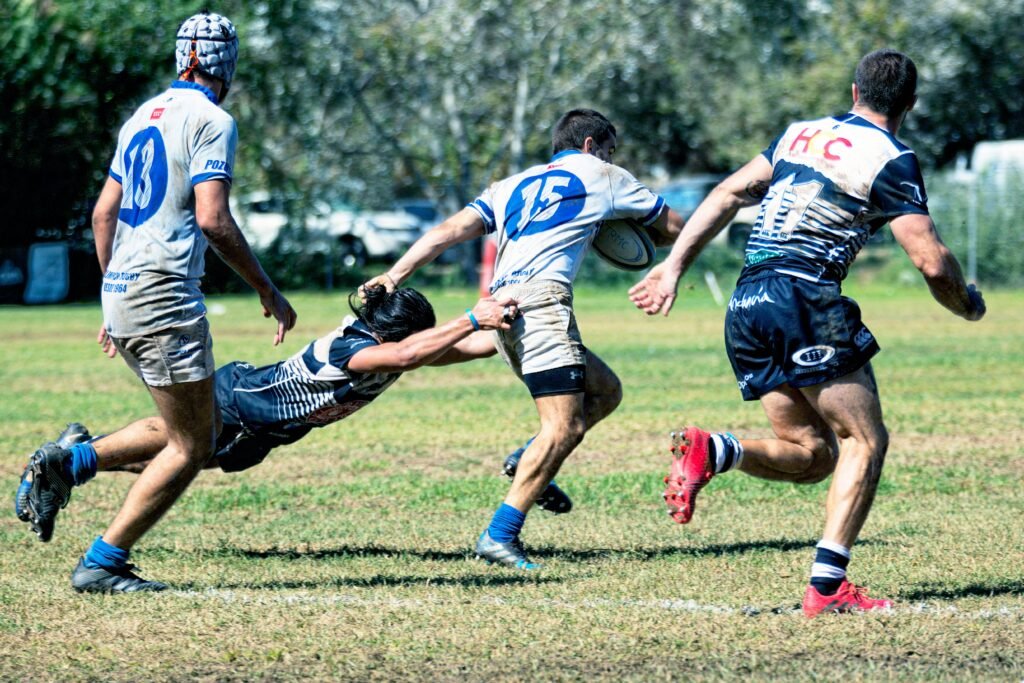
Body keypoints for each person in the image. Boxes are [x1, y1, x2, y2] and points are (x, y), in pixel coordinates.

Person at [628, 49, 986, 616]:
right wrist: (967, 305)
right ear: (909, 105)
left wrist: (672, 268)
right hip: (804, 297)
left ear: (853, 92)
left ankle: (715, 450)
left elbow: (726, 192)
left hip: (748, 302)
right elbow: (933, 262)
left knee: (813, 453)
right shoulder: (892, 157)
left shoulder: (800, 133)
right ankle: (827, 590)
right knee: (864, 441)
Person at [16, 11, 297, 593]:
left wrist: (112, 292)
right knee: (194, 446)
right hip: (164, 293)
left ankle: (71, 462)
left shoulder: (140, 116)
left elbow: (102, 214)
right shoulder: (213, 119)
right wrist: (267, 289)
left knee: (193, 425)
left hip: (123, 292)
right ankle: (103, 561)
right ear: (227, 63)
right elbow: (213, 219)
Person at [365, 109, 685, 569]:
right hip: (541, 305)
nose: (613, 159)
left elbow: (448, 231)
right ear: (592, 145)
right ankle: (499, 534)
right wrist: (649, 235)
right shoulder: (604, 174)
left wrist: (395, 273)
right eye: (611, 150)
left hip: (502, 307)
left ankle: (526, 458)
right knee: (565, 427)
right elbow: (675, 226)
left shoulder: (510, 185)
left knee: (606, 390)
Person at [16, 288, 517, 577]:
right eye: (417, 339)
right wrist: (474, 316)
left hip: (261, 429)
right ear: (394, 334)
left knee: (174, 463)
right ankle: (70, 464)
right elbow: (411, 354)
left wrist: (515, 328)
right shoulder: (358, 350)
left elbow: (467, 349)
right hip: (246, 403)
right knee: (181, 449)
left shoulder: (394, 349)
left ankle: (75, 456)